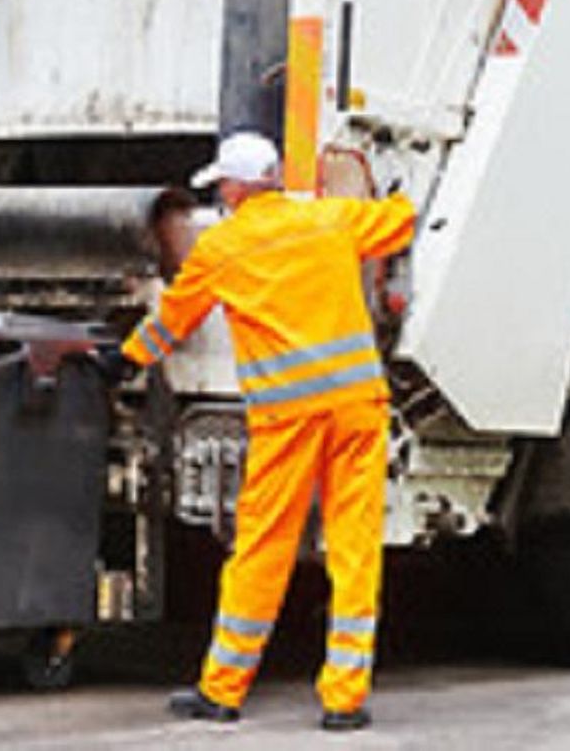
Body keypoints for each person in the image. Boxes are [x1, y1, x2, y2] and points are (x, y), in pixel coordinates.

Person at [114, 131, 416, 731]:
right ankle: (344, 700)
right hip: (358, 408)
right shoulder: (330, 219)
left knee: (263, 548)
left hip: (288, 421)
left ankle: (223, 690)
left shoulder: (222, 247)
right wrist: (395, 188)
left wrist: (121, 359)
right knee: (354, 551)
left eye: (222, 184)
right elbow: (399, 224)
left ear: (234, 187)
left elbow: (172, 322)